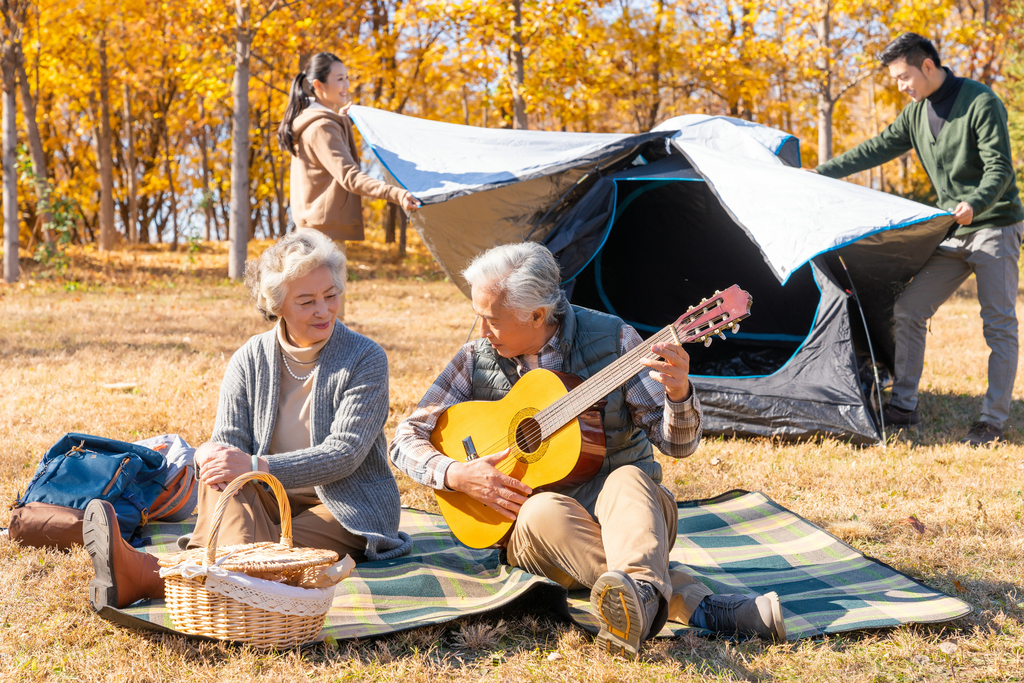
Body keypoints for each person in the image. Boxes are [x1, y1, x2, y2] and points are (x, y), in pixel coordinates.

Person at [389, 242, 785, 657]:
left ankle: (640, 597)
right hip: (542, 535)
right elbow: (404, 439)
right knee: (542, 509)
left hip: (634, 518)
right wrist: (456, 474)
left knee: (628, 478)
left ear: (538, 315)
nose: (481, 331)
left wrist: (679, 393)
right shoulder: (476, 359)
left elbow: (677, 445)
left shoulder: (614, 342)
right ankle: (691, 603)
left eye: (491, 320)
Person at [84, 229, 411, 611]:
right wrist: (213, 457)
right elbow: (229, 442)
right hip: (262, 498)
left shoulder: (365, 358)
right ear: (277, 306)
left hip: (342, 507)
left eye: (331, 295)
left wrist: (256, 465)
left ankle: (151, 576)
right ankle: (235, 580)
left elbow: (345, 453)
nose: (323, 310)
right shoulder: (249, 358)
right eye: (306, 301)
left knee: (265, 550)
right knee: (218, 471)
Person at [813, 33, 1023, 446]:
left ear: (928, 65)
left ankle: (992, 420)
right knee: (909, 308)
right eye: (895, 79)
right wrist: (821, 173)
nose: (901, 86)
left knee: (999, 325)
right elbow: (875, 148)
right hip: (952, 231)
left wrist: (975, 203)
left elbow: (1000, 169)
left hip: (993, 225)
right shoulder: (915, 114)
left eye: (903, 76)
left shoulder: (980, 102)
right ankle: (904, 406)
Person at [277, 52, 421, 320]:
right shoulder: (321, 127)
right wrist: (397, 194)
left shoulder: (321, 122)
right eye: (339, 79)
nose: (346, 86)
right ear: (318, 86)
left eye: (347, 78)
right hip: (322, 237)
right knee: (328, 318)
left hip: (315, 232)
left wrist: (345, 120)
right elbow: (350, 177)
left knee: (317, 317)